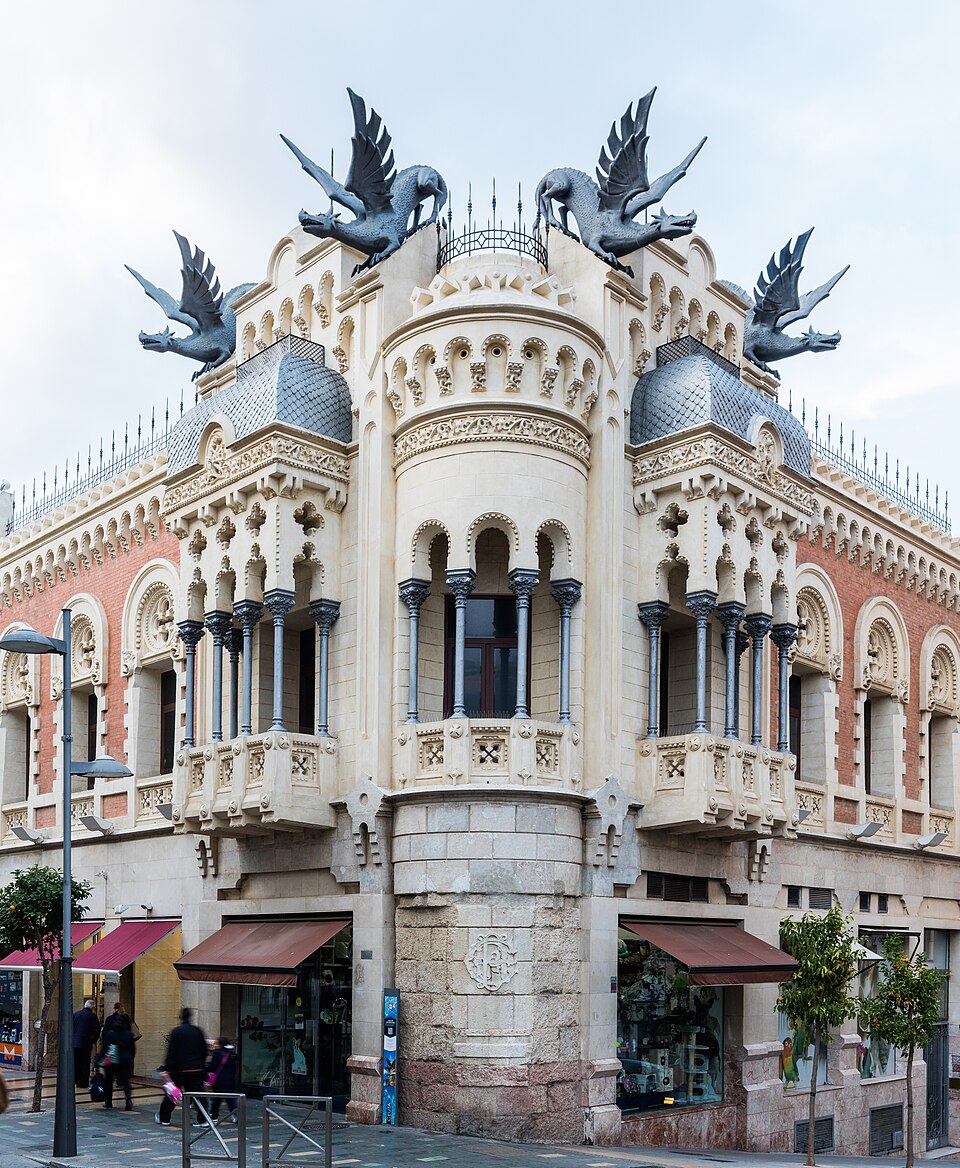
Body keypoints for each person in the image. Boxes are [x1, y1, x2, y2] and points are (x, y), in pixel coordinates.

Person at [156, 1007, 207, 1126]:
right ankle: (203, 1119)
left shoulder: (176, 1032)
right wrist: (202, 1065)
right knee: (199, 1096)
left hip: (180, 1070)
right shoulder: (197, 1031)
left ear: (181, 1018)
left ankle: (165, 1118)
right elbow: (204, 1049)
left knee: (172, 1094)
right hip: (196, 1069)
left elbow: (171, 1052)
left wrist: (167, 1068)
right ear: (190, 1017)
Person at [100, 1013, 135, 1110]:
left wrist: (99, 1061)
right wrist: (130, 1058)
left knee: (109, 1081)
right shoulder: (129, 1034)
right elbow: (132, 1048)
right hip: (125, 1059)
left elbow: (105, 1049)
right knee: (125, 1081)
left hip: (112, 1059)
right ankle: (128, 1100)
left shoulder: (110, 1034)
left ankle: (108, 1102)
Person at [205, 1036, 238, 1121]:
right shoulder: (233, 1055)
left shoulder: (217, 1054)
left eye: (216, 1043)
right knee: (230, 1099)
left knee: (216, 1099)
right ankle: (234, 1114)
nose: (215, 1044)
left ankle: (214, 1116)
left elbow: (212, 1067)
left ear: (220, 1044)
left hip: (219, 1080)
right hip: (231, 1080)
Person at [73, 999, 101, 1088]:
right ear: (92, 1007)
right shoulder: (92, 1016)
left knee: (77, 1063)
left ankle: (76, 1080)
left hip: (75, 1043)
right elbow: (97, 1030)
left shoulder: (76, 1014)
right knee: (85, 1063)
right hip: (86, 1043)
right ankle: (83, 1083)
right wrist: (93, 1040)